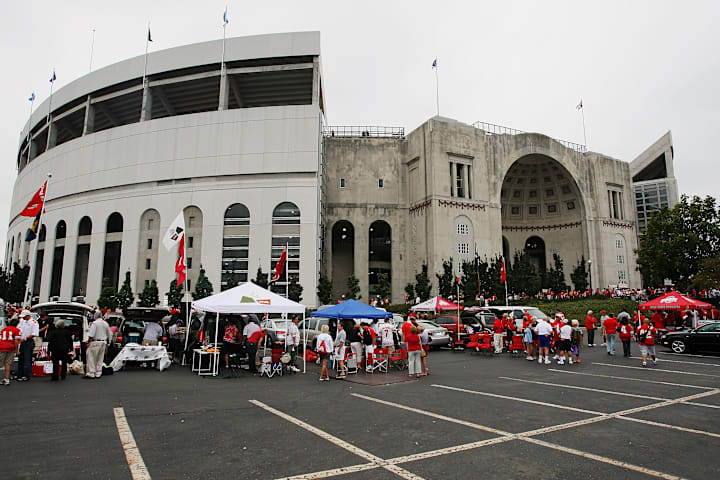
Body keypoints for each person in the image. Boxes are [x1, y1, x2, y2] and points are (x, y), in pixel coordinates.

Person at [85, 311, 111, 379]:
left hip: (95, 342)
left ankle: (91, 373)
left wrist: (88, 342)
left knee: (91, 358)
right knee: (100, 358)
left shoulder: (95, 324)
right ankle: (98, 372)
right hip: (103, 342)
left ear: (95, 316)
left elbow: (91, 335)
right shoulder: (105, 323)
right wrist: (108, 343)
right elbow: (109, 334)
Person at [16, 310, 38, 381]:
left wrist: (25, 338)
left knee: (27, 359)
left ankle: (27, 375)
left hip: (28, 341)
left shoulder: (33, 322)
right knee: (21, 358)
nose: (23, 318)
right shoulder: (22, 321)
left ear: (28, 316)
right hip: (22, 341)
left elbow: (34, 334)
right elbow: (18, 329)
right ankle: (19, 374)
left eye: (24, 317)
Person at [0, 318, 21, 385]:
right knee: (8, 363)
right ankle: (6, 378)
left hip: (2, 346)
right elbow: (16, 341)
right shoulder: (17, 330)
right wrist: (16, 350)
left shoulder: (4, 329)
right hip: (10, 347)